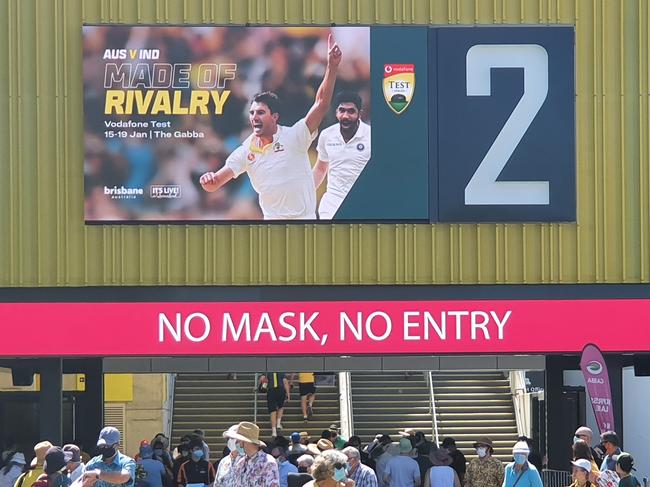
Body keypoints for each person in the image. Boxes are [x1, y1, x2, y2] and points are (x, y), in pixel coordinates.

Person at [199, 35, 343, 221]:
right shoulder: (245, 152)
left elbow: (321, 103)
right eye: (252, 113)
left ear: (274, 117)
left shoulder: (295, 136)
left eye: (260, 113)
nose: (254, 118)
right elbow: (215, 183)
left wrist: (332, 67)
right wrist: (208, 180)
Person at [313, 90, 371, 220]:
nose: (345, 116)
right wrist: (304, 193)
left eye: (351, 111)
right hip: (332, 202)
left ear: (359, 114)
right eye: (342, 110)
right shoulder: (327, 135)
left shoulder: (372, 136)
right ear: (336, 112)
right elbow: (321, 169)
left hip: (363, 203)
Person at [225, 421, 279, 487]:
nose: (236, 442)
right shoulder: (240, 463)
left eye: (238, 439)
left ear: (245, 441)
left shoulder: (268, 462)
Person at [259, 373, 291, 437]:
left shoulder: (267, 371)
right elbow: (285, 382)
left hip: (271, 390)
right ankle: (278, 424)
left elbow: (261, 379)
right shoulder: (280, 371)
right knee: (281, 407)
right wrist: (288, 393)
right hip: (280, 389)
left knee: (272, 410)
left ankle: (274, 431)